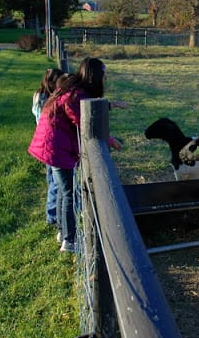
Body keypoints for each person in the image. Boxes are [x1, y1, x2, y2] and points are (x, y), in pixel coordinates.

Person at [28, 57, 128, 253]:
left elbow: (85, 108)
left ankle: (62, 230)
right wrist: (109, 140)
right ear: (95, 76)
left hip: (53, 145)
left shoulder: (73, 88)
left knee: (62, 190)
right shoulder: (75, 95)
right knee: (67, 194)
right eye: (104, 75)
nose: (105, 78)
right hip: (56, 148)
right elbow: (85, 121)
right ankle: (70, 240)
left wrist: (110, 105)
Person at [32, 68, 65, 226]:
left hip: (44, 144)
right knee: (56, 183)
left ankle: (52, 212)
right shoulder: (46, 99)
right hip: (49, 143)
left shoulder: (39, 95)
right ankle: (52, 215)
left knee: (52, 179)